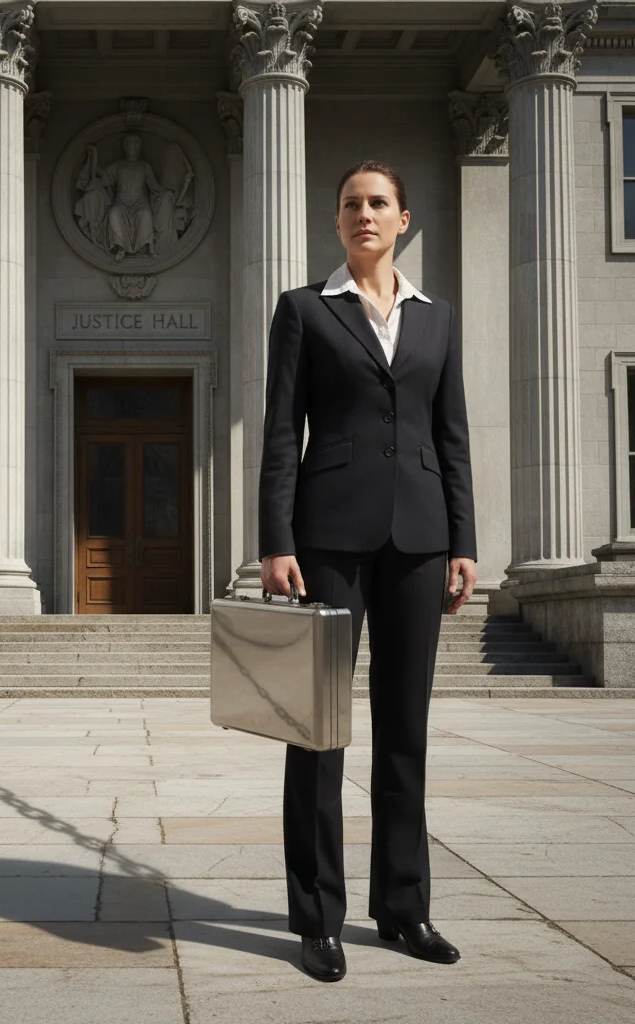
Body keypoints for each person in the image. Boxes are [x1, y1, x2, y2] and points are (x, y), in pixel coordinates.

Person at [258, 160, 478, 983]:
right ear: (337, 220)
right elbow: (282, 434)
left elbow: (451, 436)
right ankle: (317, 918)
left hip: (420, 540)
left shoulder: (437, 319)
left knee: (404, 729)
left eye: (377, 203)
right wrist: (275, 542)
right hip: (328, 540)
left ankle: (405, 907)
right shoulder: (305, 312)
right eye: (350, 203)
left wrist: (465, 539)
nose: (364, 214)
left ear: (404, 219)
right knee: (316, 730)